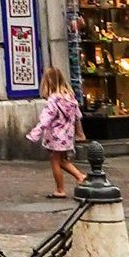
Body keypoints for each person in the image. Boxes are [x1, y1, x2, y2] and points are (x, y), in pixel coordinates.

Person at [27, 64, 85, 192]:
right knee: (62, 160)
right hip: (67, 136)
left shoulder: (53, 100)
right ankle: (80, 176)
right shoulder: (70, 98)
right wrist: (80, 133)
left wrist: (35, 133)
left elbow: (45, 119)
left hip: (56, 136)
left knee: (55, 161)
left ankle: (61, 189)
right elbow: (77, 116)